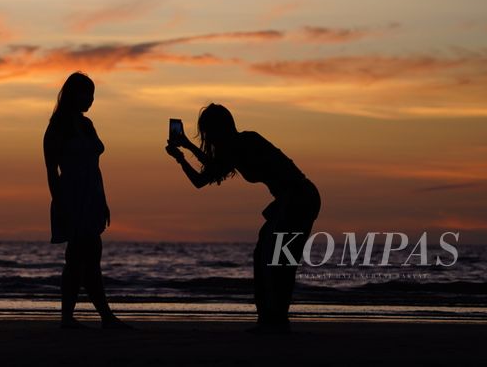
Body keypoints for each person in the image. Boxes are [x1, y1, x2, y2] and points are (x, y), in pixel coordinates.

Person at [165, 103, 321, 334]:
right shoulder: (231, 151)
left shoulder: (247, 141)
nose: (208, 137)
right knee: (267, 256)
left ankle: (275, 321)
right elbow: (201, 181)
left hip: (299, 198)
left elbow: (216, 165)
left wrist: (188, 146)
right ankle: (270, 319)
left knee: (277, 260)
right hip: (287, 201)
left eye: (208, 130)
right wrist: (181, 157)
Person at [43, 72, 131, 330]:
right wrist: (60, 204)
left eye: (93, 94)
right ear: (73, 94)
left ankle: (84, 318)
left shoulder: (88, 124)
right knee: (81, 257)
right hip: (72, 196)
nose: (91, 99)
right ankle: (95, 318)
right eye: (87, 93)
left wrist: (103, 201)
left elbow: (95, 167)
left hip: (92, 195)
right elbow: (51, 171)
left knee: (87, 257)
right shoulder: (58, 126)